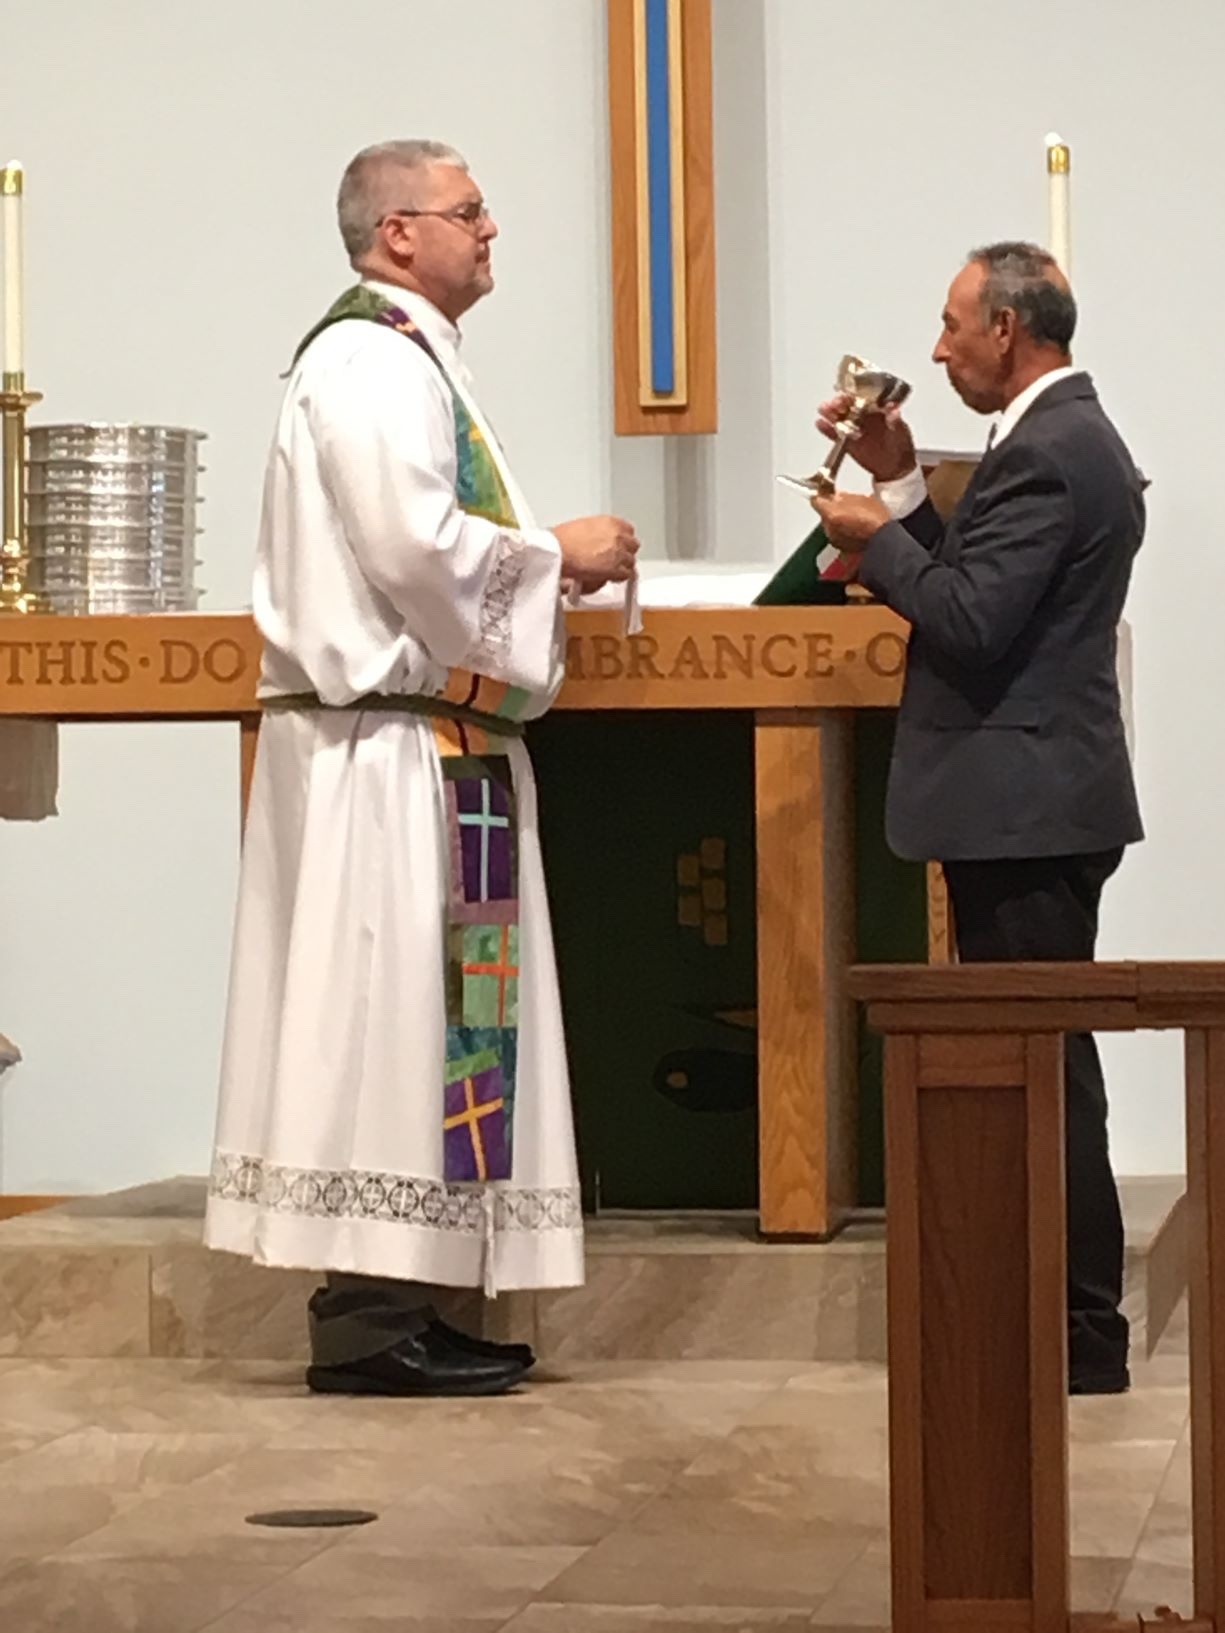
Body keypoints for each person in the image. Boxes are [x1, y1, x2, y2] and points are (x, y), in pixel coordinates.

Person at [204, 139, 640, 1397]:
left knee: (432, 1031)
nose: (490, 228)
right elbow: (413, 547)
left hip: (427, 747)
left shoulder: (402, 357)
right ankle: (366, 1321)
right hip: (386, 756)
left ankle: (406, 1297)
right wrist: (555, 553)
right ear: (398, 232)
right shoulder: (367, 360)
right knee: (389, 1031)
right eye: (468, 210)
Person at [813, 241, 1144, 1396]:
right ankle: (1052, 1321)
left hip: (1026, 806)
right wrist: (902, 486)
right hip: (1023, 800)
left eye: (954, 324)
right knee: (1033, 1061)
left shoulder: (1052, 452)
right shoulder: (1051, 441)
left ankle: (1075, 1331)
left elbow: (966, 623)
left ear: (1009, 329)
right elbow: (983, 585)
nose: (940, 345)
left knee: (1043, 1065)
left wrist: (872, 539)